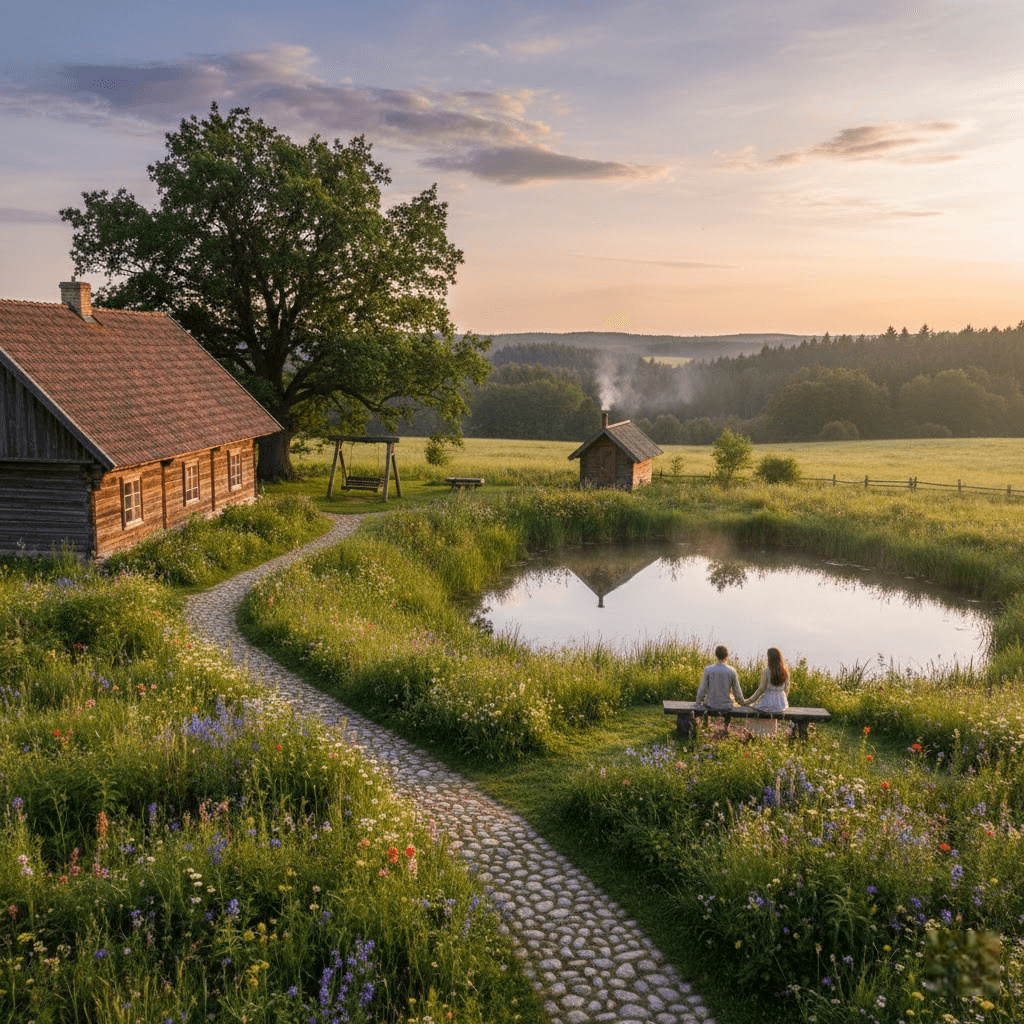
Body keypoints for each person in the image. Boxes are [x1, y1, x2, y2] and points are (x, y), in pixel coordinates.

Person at [743, 646, 790, 737]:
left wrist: (749, 701)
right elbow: (786, 689)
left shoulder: (766, 671)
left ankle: (753, 734)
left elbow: (761, 689)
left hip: (768, 700)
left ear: (769, 658)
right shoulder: (785, 671)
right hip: (781, 703)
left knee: (753, 710)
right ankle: (771, 733)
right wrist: (781, 700)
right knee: (772, 713)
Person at [695, 644, 746, 712]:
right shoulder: (731, 671)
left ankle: (706, 721)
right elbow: (737, 691)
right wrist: (742, 703)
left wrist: (698, 703)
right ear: (726, 655)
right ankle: (726, 722)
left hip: (710, 705)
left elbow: (702, 688)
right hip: (726, 706)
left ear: (716, 655)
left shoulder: (708, 670)